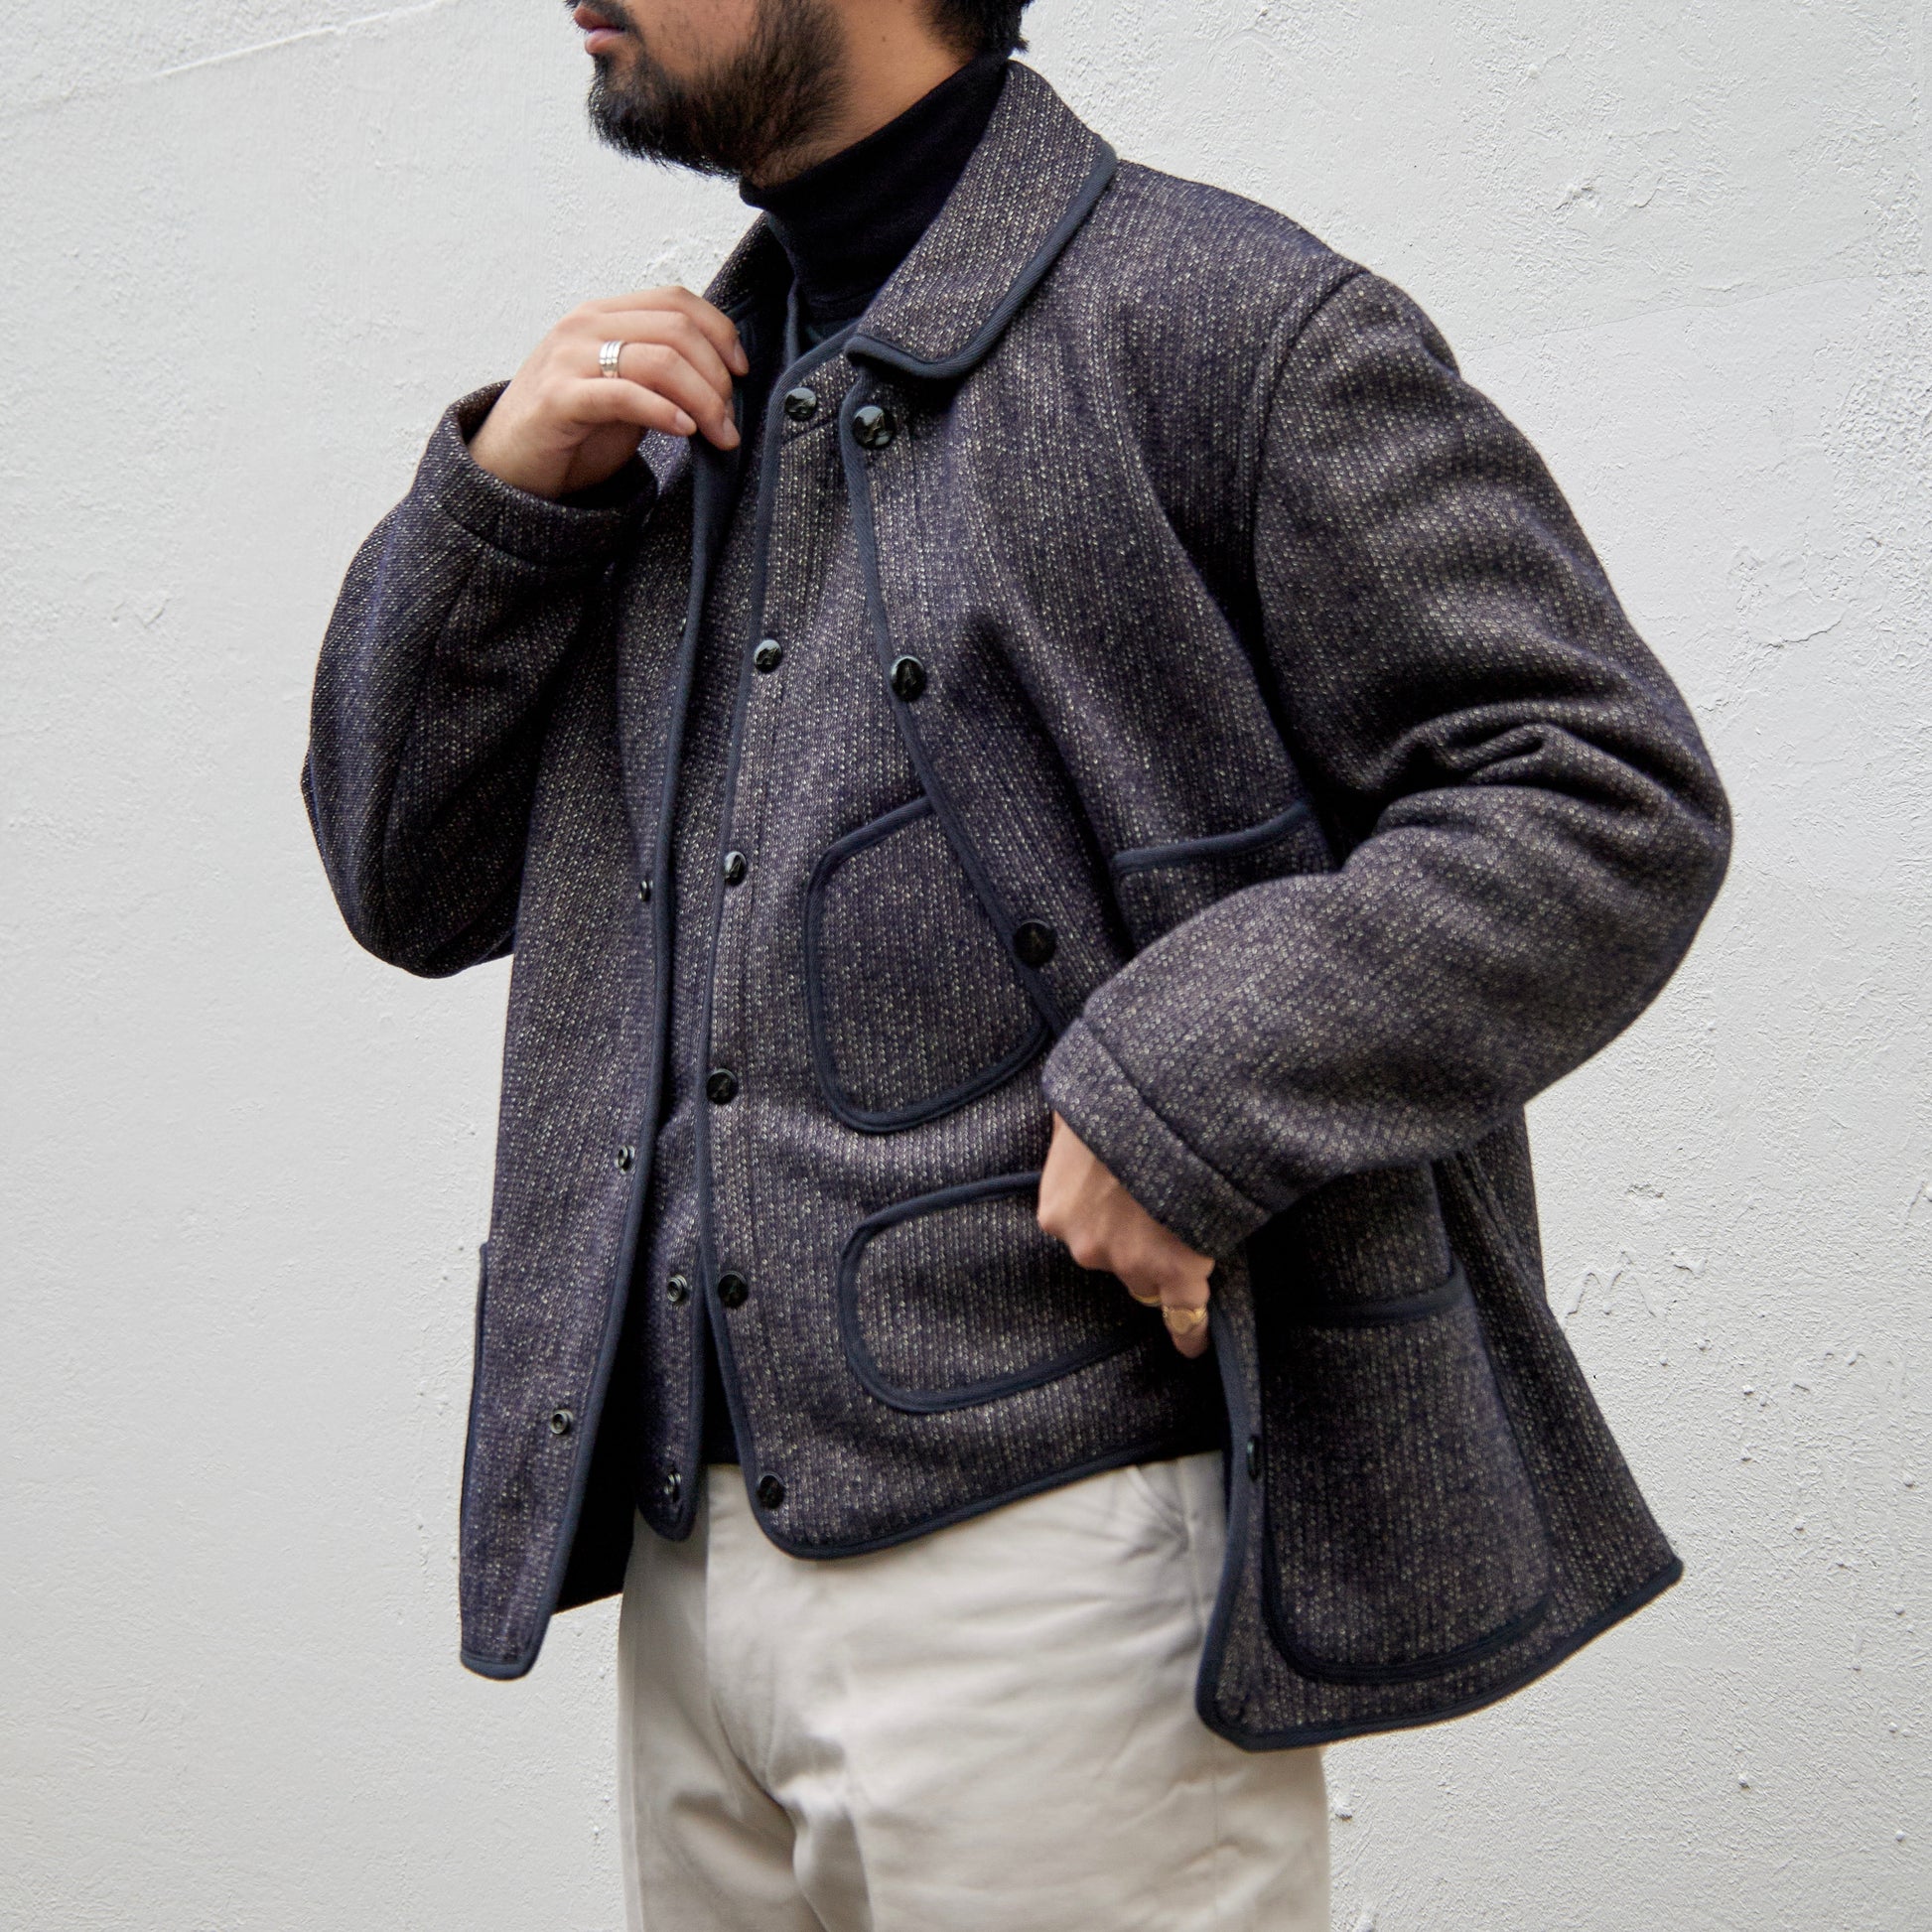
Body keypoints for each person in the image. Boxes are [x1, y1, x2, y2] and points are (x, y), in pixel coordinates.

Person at [301, 0, 1730, 1923]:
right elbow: (402, 877)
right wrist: (501, 504)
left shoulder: (1227, 325)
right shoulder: (658, 420)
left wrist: (1183, 1086)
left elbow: (1598, 794)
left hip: (1059, 1567)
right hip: (685, 1575)